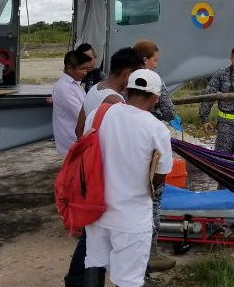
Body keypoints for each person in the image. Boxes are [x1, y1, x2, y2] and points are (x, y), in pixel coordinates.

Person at [83, 69, 173, 287]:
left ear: (126, 90)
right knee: (129, 279)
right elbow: (160, 176)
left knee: (94, 262)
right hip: (131, 218)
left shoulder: (99, 114)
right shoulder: (156, 129)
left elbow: (85, 150)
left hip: (96, 211)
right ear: (155, 97)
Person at [65, 47, 142, 287]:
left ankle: (76, 279)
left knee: (92, 233)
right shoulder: (115, 101)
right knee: (98, 236)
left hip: (88, 171)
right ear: (127, 73)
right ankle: (79, 279)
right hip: (103, 176)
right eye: (137, 76)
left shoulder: (94, 90)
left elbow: (79, 130)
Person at [131, 39, 179, 273]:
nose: (156, 65)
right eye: (155, 60)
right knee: (152, 202)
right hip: (150, 147)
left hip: (127, 148)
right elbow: (169, 111)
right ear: (145, 60)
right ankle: (149, 256)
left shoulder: (124, 80)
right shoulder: (154, 82)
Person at [51, 50, 91, 156]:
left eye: (86, 69)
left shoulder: (75, 84)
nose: (85, 73)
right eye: (82, 69)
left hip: (77, 138)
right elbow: (81, 115)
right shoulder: (64, 88)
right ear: (69, 68)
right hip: (71, 140)